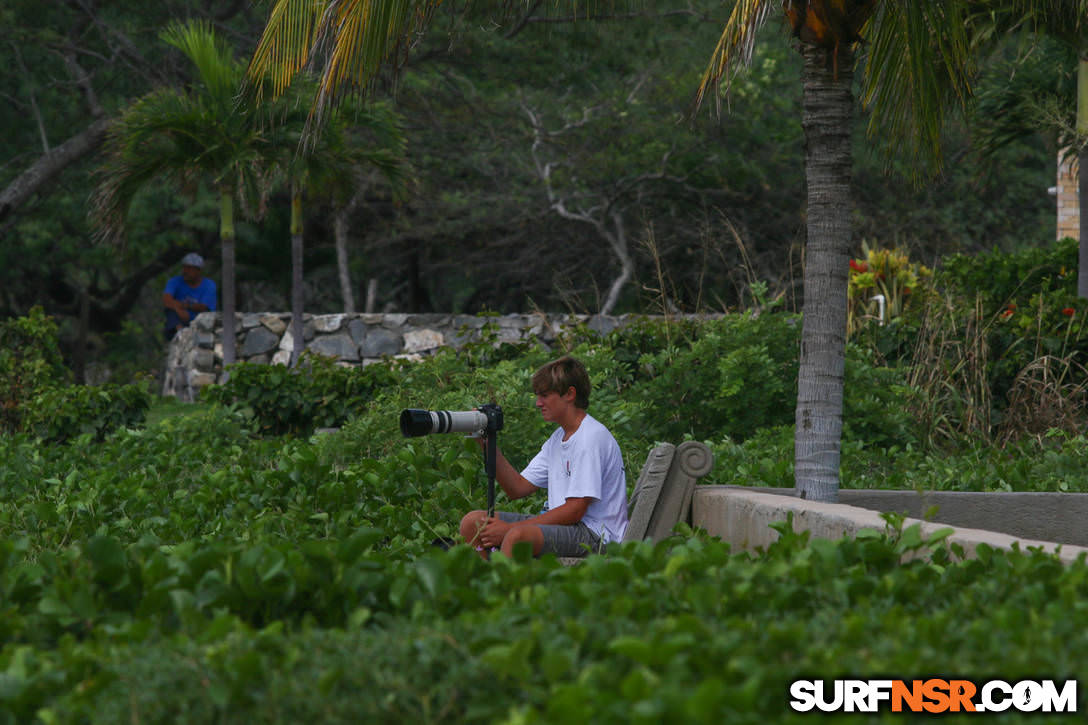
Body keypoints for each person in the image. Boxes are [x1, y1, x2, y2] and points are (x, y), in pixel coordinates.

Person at [459, 355, 628, 559]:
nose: (538, 403)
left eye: (545, 395)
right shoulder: (558, 438)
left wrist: (508, 530)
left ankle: (503, 589)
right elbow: (517, 488)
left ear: (569, 394)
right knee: (472, 523)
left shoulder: (590, 438)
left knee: (517, 536)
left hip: (596, 535)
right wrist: (487, 446)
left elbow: (575, 510)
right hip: (569, 526)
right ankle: (483, 584)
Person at [162, 252, 217, 341]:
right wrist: (178, 309)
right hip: (179, 319)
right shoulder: (174, 281)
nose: (185, 271)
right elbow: (166, 300)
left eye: (189, 268)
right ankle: (180, 333)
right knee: (170, 312)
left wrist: (186, 307)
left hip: (200, 321)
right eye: (184, 267)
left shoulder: (209, 285)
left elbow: (204, 307)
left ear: (198, 270)